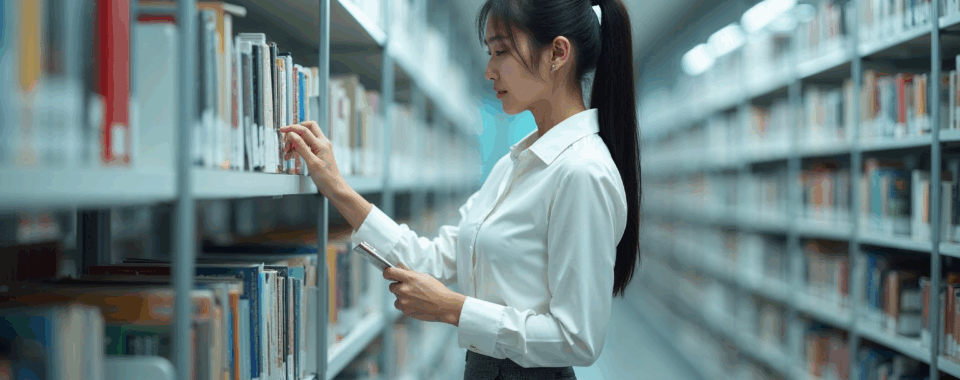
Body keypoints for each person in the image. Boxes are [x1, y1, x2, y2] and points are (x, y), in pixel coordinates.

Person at [279, 0, 640, 378]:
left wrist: (453, 308)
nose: (489, 70)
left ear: (558, 53)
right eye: (490, 53)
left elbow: (577, 339)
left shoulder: (583, 173)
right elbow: (433, 258)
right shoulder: (513, 165)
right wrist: (335, 186)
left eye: (501, 52)